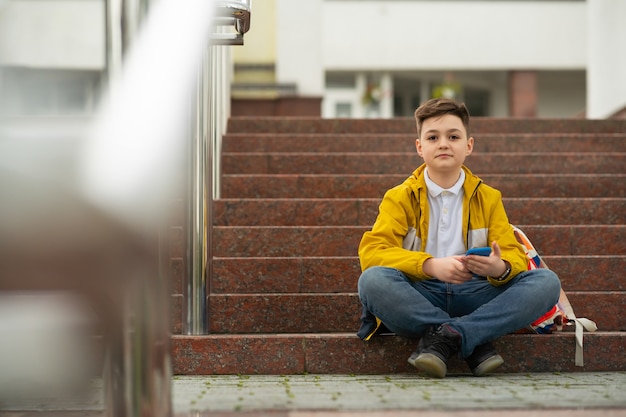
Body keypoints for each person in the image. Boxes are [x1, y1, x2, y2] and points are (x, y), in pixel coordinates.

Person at [356, 98, 561, 378]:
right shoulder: (399, 197)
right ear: (420, 147)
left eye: (453, 136)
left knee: (547, 282)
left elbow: (514, 255)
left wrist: (499, 268)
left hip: (476, 294)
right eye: (432, 137)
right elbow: (372, 252)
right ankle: (471, 339)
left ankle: (448, 336)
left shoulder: (489, 198)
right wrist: (430, 266)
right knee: (372, 281)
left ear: (468, 145)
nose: (443, 143)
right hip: (419, 294)